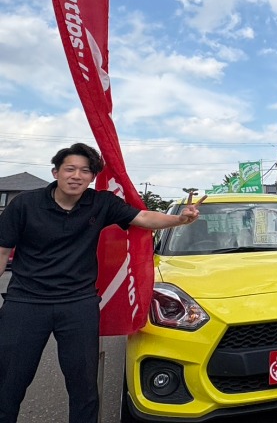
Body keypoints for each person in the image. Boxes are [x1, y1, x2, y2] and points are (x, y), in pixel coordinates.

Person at [0, 143, 205, 423]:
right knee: (9, 381)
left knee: (84, 385)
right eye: (70, 169)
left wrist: (180, 219)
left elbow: (143, 217)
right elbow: (2, 251)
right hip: (25, 301)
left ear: (92, 177)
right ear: (55, 172)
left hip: (78, 303)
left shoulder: (101, 202)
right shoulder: (25, 204)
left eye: (85, 171)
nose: (77, 176)